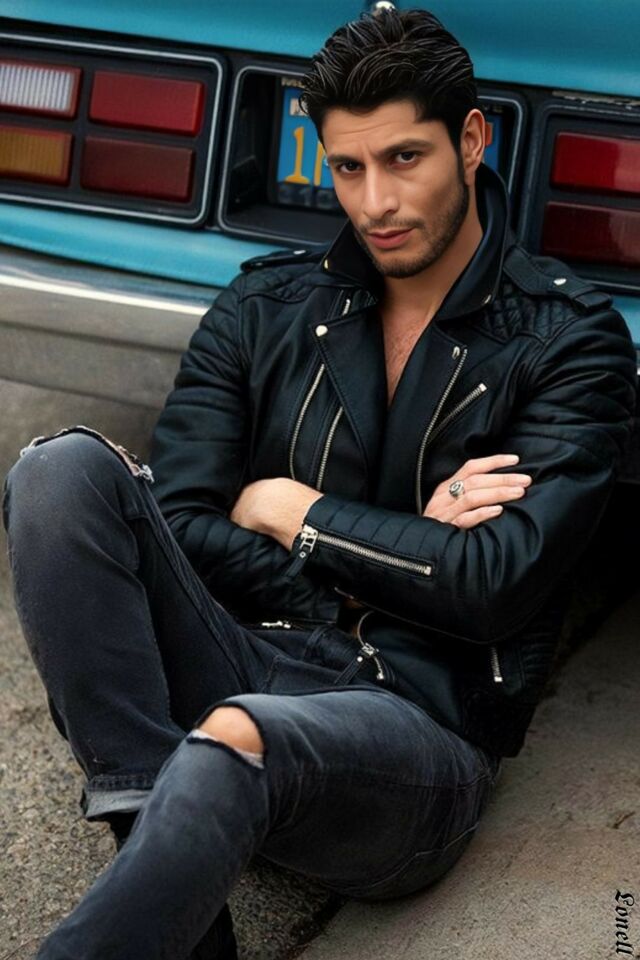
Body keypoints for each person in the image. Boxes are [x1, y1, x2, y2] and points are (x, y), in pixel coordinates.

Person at [2, 7, 636, 959]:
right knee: (59, 473)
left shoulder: (570, 342)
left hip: (417, 726)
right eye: (348, 167)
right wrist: (387, 556)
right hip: (250, 654)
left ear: (470, 141)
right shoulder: (265, 305)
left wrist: (289, 509)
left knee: (231, 741)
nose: (376, 202)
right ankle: (159, 858)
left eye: (405, 159)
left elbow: (490, 586)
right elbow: (177, 520)